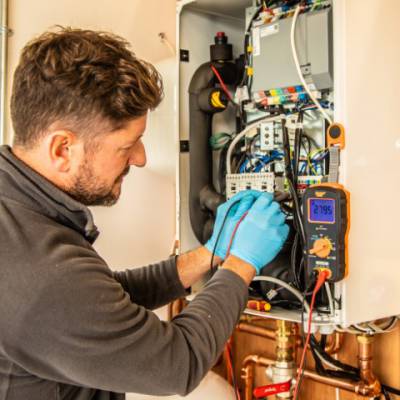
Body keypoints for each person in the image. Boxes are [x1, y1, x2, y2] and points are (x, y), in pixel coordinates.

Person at [0, 28, 289, 400]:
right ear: (62, 148)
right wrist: (241, 263)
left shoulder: (19, 211)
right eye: (127, 145)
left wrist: (210, 253)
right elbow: (177, 365)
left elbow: (98, 300)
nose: (141, 158)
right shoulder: (35, 270)